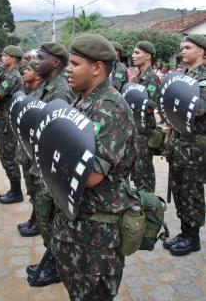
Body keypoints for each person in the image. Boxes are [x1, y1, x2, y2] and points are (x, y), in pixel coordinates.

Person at [51, 34, 138, 301]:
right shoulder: (84, 101)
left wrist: (52, 150)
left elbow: (90, 176)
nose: (68, 69)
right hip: (77, 228)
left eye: (75, 64)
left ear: (97, 68)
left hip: (97, 237)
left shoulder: (111, 108)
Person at [25, 42, 73, 287]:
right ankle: (52, 262)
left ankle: (55, 266)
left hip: (50, 169)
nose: (36, 62)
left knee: (49, 219)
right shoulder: (46, 86)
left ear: (55, 62)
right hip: (39, 162)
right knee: (44, 219)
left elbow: (58, 136)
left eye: (41, 58)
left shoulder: (61, 91)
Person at [163, 34, 206, 256]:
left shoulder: (203, 78)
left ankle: (193, 237)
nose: (183, 51)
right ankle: (184, 231)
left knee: (192, 193)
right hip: (179, 145)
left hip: (195, 148)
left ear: (201, 51)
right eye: (182, 47)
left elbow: (198, 110)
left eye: (188, 47)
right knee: (179, 191)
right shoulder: (183, 77)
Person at [0, 45, 24, 204]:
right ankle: (13, 189)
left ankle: (16, 193)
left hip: (7, 123)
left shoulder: (12, 76)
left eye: (5, 56)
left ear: (13, 59)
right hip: (4, 121)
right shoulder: (7, 73)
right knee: (6, 157)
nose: (2, 58)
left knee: (9, 158)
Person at [128, 41, 161, 192]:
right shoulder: (138, 77)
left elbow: (149, 108)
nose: (133, 56)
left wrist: (132, 98)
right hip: (135, 132)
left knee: (144, 176)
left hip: (144, 134)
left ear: (147, 56)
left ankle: (150, 209)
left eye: (137, 53)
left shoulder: (152, 78)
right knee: (136, 174)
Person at [16, 60, 45, 238]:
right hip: (27, 149)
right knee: (32, 190)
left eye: (28, 70)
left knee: (38, 191)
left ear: (38, 75)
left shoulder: (46, 92)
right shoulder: (30, 90)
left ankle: (38, 224)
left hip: (36, 153)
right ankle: (35, 220)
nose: (24, 72)